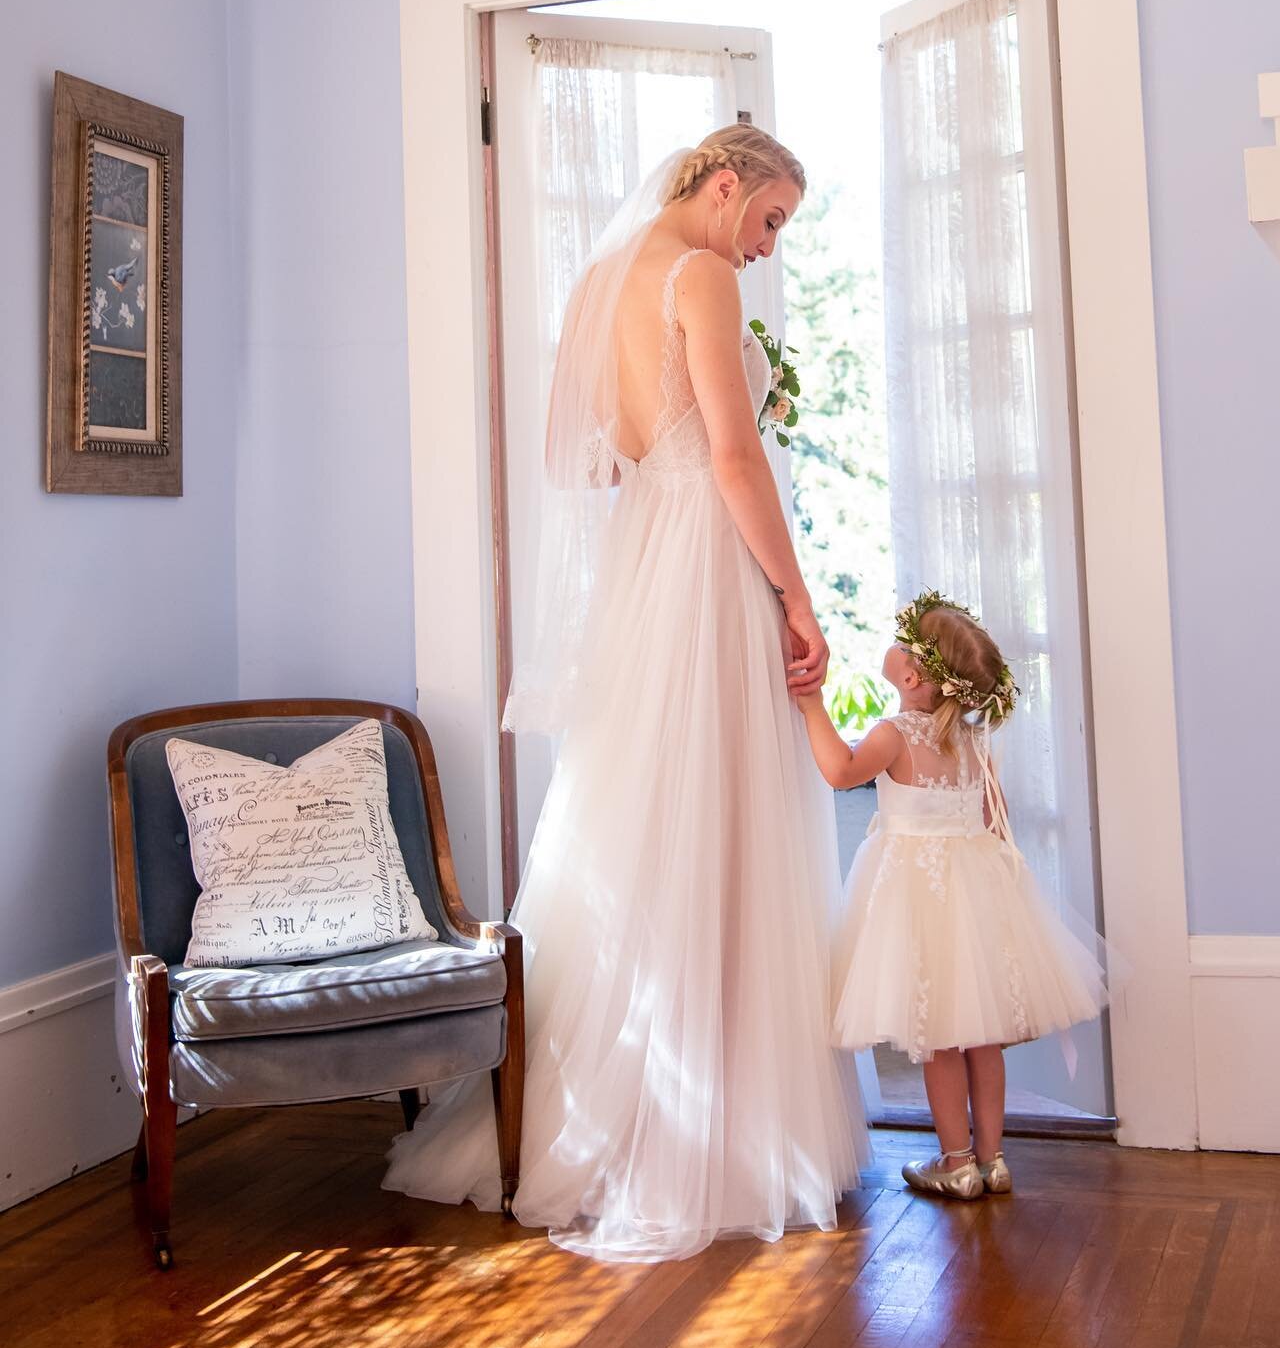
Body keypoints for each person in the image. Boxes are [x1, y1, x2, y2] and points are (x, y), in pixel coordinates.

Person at [385, 126, 869, 1259]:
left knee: (641, 826)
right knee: (719, 824)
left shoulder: (600, 286)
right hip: (705, 561)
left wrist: (667, 455)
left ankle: (634, 1111)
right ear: (723, 184)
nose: (766, 248)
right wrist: (801, 602)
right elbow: (740, 463)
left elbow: (582, 464)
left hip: (647, 563)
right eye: (771, 220)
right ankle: (713, 1128)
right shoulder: (697, 274)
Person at [796, 590, 1107, 1200]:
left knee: (938, 1036)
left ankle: (955, 1160)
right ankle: (994, 1160)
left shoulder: (896, 733)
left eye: (905, 641)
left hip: (916, 894)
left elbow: (839, 771)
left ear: (912, 673)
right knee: (982, 1035)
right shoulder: (973, 742)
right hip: (977, 890)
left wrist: (812, 708)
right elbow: (996, 817)